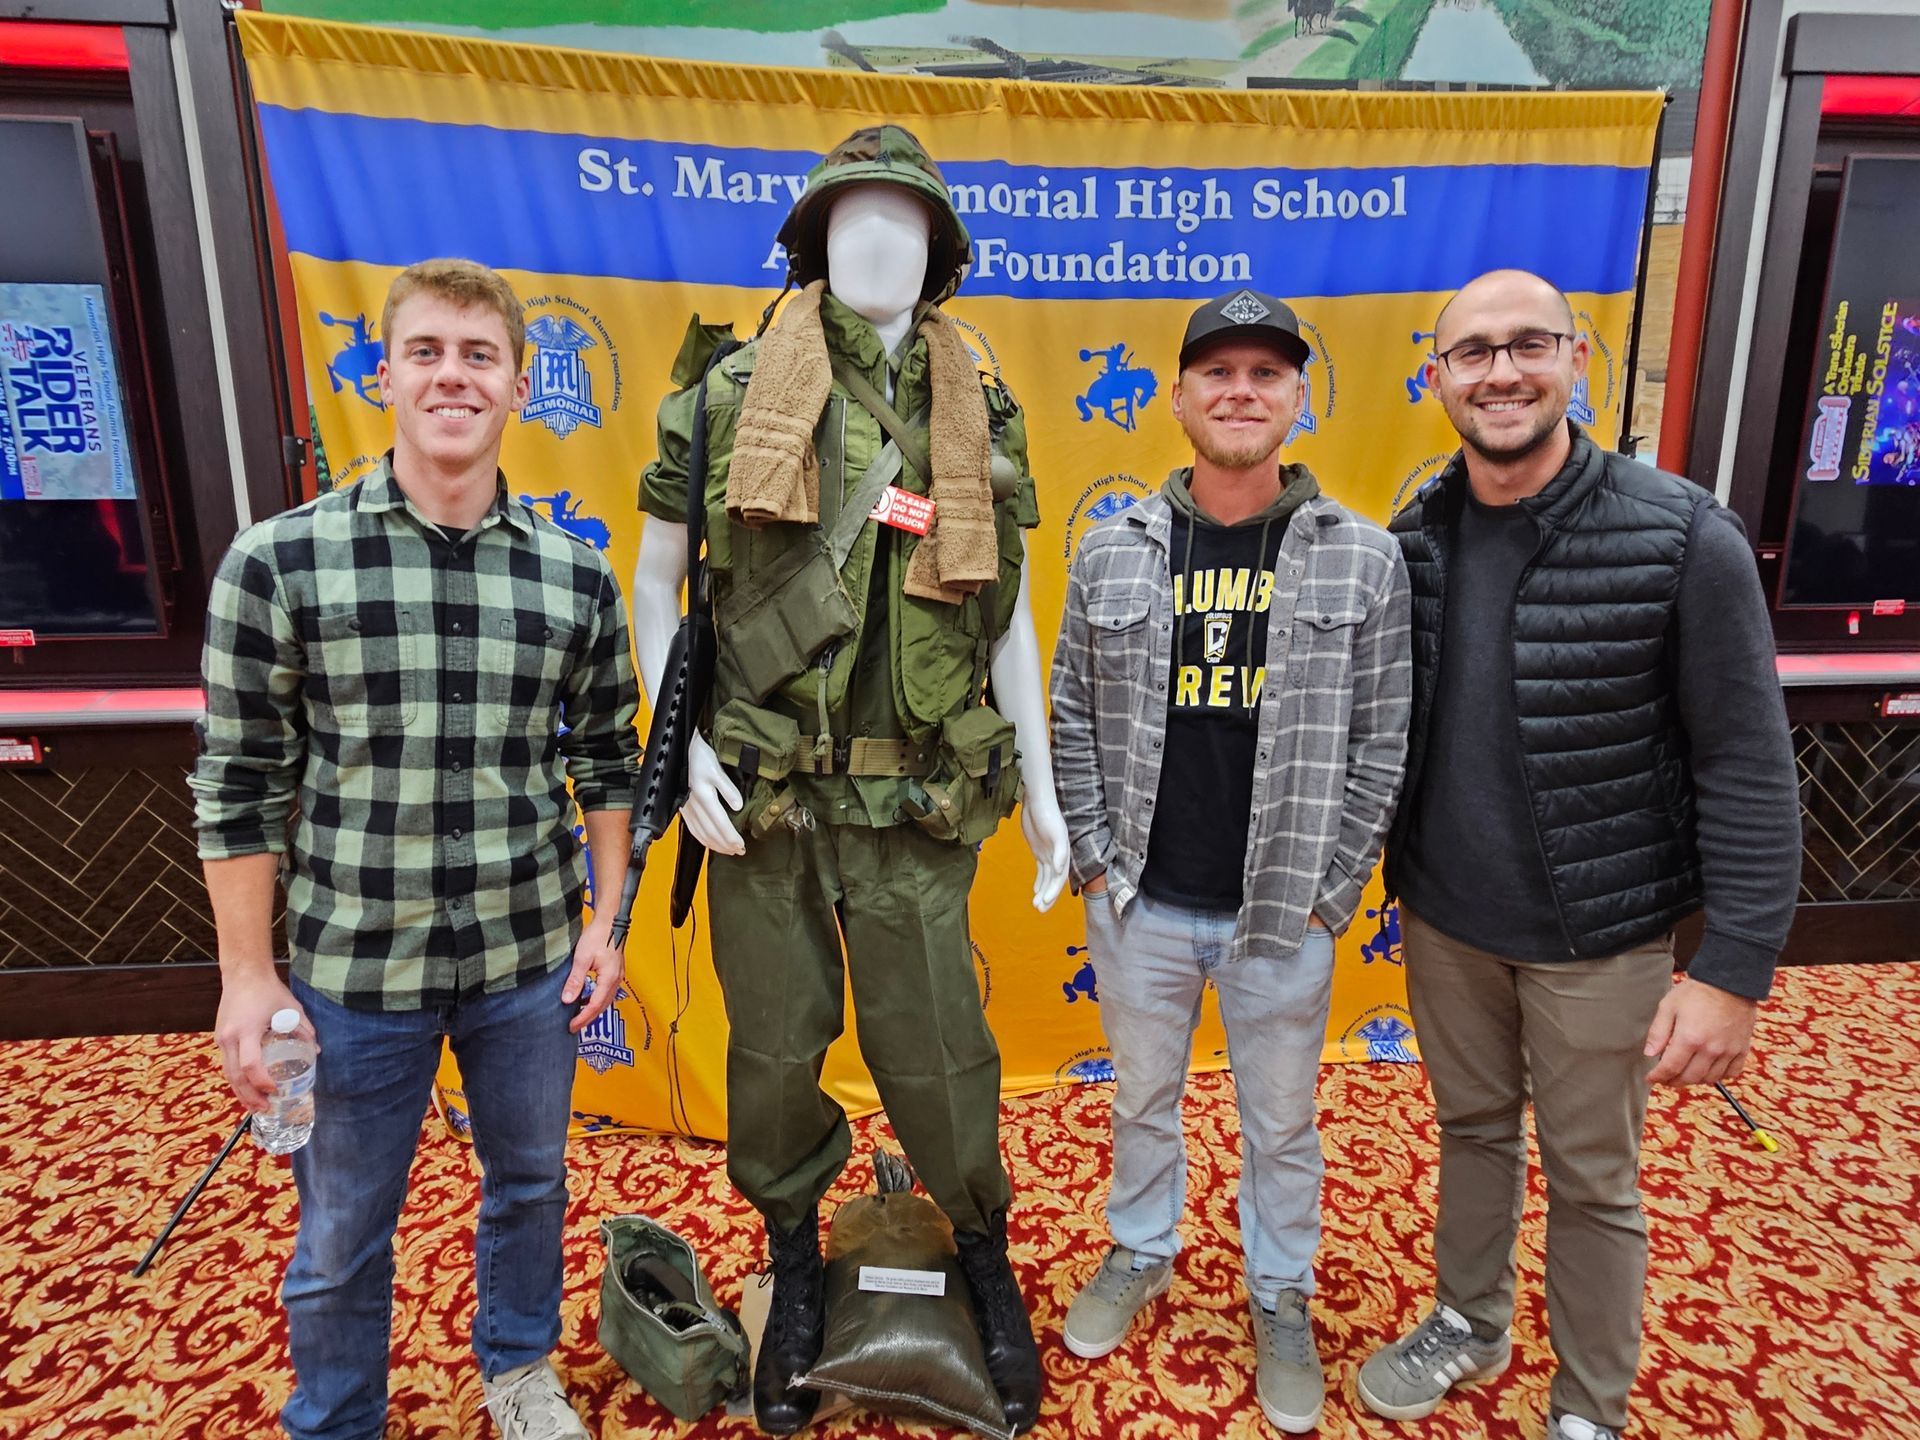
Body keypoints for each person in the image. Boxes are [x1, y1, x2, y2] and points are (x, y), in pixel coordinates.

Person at [630, 126, 1068, 1436]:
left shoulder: (979, 407)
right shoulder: (720, 394)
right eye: (851, 218)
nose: (879, 239)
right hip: (761, 797)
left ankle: (980, 1251)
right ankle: (791, 1257)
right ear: (810, 242)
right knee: (769, 1056)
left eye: (908, 221)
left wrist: (1041, 788)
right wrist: (682, 742)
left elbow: (1009, 620)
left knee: (940, 1053)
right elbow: (657, 585)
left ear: (942, 254)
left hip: (918, 799)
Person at [192, 258, 640, 1440]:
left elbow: (606, 761)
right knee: (342, 1229)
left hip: (526, 960)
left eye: (479, 355)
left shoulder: (574, 575)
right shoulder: (279, 561)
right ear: (384, 373)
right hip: (352, 972)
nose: (453, 375)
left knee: (532, 1185)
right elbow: (238, 784)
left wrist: (604, 922)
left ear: (518, 385)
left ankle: (519, 1371)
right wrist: (246, 977)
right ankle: (337, 1418)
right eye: (429, 352)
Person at [1356, 269, 1801, 1440]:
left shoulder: (1681, 535)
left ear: (1575, 358)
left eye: (1528, 345)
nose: (1502, 372)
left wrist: (1735, 969)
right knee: (1471, 1132)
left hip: (1599, 938)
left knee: (1595, 1177)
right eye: (1473, 353)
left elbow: (1750, 763)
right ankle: (1470, 1317)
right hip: (1448, 923)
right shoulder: (1418, 540)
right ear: (1437, 377)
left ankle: (1591, 1407)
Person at [1049, 288, 1411, 1434]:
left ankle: (1279, 1294)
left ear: (1300, 399)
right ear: (1179, 396)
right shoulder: (1111, 549)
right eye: (1219, 372)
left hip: (1281, 916)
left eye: (1267, 374)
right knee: (1145, 1102)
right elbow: (1069, 716)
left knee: (1282, 1122)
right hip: (1143, 904)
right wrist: (1101, 865)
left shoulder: (1365, 559)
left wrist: (1331, 893)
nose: (1242, 392)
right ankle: (1140, 1250)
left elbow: (1383, 738)